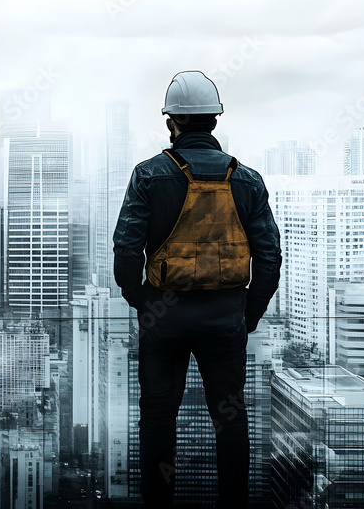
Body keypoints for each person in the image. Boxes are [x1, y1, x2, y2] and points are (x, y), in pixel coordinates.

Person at [112, 70, 282, 508]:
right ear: (214, 121)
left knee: (157, 420)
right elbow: (269, 256)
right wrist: (249, 314)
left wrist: (142, 301)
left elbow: (127, 248)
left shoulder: (149, 175)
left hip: (163, 317)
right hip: (226, 315)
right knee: (230, 418)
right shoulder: (247, 180)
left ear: (172, 122)